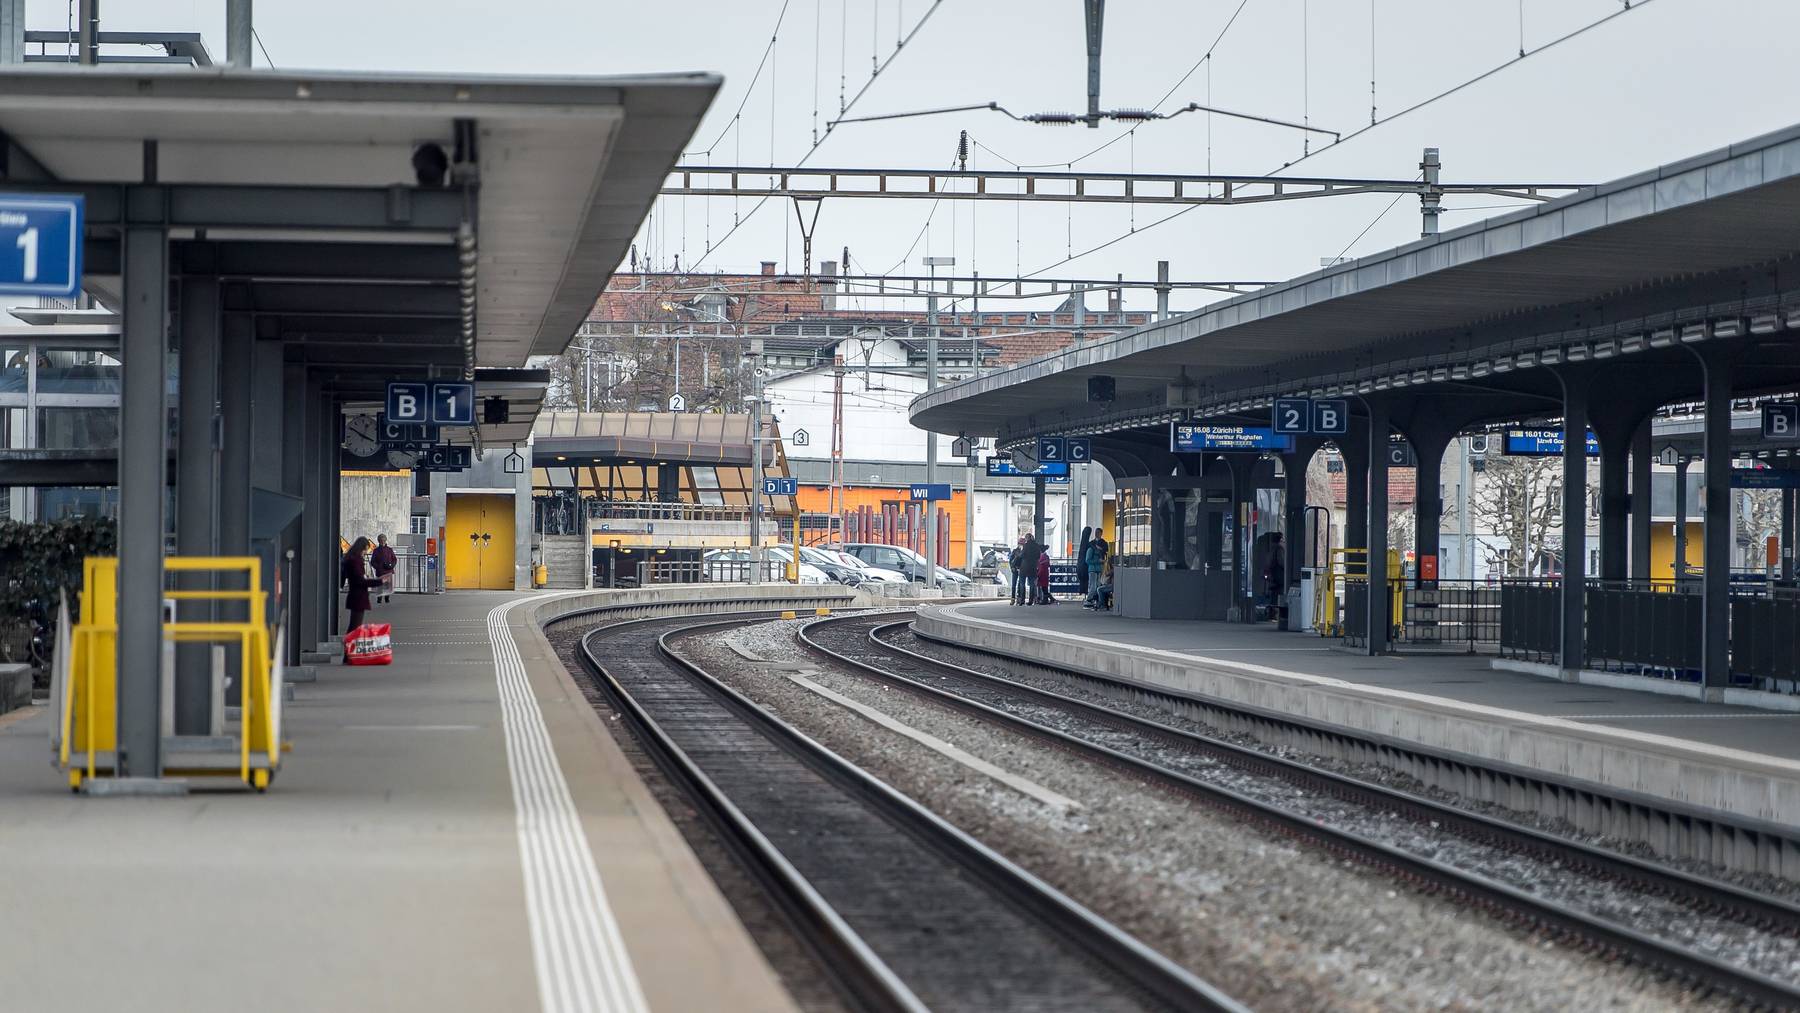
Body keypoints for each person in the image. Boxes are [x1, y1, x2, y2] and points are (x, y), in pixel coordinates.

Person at [341, 536, 383, 660]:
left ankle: (348, 654)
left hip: (355, 595)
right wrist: (378, 582)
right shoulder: (356, 560)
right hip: (358, 596)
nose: (366, 553)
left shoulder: (350, 559)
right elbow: (360, 580)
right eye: (365, 550)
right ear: (362, 548)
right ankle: (348, 654)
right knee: (355, 627)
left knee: (353, 626)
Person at [1263, 532, 1287, 622]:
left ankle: (1271, 614)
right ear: (1280, 540)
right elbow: (1281, 561)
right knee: (1279, 594)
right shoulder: (1279, 549)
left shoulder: (1271, 549)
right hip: (1279, 575)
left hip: (1272, 575)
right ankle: (1277, 615)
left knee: (1273, 594)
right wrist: (1287, 568)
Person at [371, 533, 398, 605]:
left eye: (383, 540)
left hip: (388, 570)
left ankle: (387, 598)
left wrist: (392, 565)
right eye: (381, 540)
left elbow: (394, 559)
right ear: (379, 541)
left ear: (386, 540)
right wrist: (378, 567)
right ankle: (379, 599)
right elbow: (373, 561)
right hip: (380, 571)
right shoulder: (376, 550)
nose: (382, 541)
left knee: (388, 585)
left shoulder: (389, 549)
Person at [1083, 535, 1109, 608]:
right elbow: (1087, 560)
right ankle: (1089, 600)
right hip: (1092, 570)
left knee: (1098, 586)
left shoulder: (1100, 552)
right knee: (1093, 586)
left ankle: (1094, 600)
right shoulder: (1090, 550)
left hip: (1099, 570)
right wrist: (1098, 561)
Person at [1018, 534, 1042, 606]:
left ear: (1027, 538)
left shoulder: (1025, 546)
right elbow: (1039, 556)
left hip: (1024, 567)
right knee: (1032, 584)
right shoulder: (1036, 546)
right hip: (1033, 567)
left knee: (1022, 584)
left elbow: (1022, 555)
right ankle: (1030, 601)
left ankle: (1022, 600)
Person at [1008, 537, 1027, 605]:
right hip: (1015, 569)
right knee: (1014, 585)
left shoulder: (1025, 552)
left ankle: (1019, 598)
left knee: (1020, 584)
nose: (1021, 545)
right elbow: (1010, 560)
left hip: (1021, 570)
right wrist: (1012, 567)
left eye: (1022, 543)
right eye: (1020, 543)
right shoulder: (1015, 551)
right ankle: (1013, 598)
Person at [1075, 526, 1093, 596]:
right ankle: (1085, 593)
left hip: (1080, 566)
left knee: (1083, 580)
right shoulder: (1089, 544)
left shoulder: (1082, 543)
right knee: (1087, 581)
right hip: (1085, 566)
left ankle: (1082, 590)